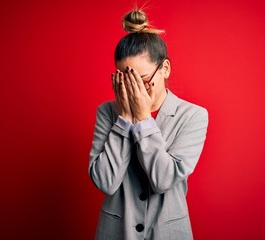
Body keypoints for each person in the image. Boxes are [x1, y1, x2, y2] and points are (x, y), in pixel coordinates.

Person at [88, 8, 208, 240]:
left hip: (168, 231)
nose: (134, 90)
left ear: (164, 68)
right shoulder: (107, 112)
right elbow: (105, 181)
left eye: (141, 81)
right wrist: (124, 119)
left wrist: (143, 119)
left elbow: (164, 180)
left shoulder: (193, 116)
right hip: (116, 231)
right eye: (125, 81)